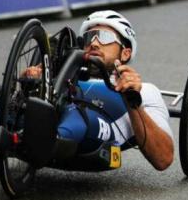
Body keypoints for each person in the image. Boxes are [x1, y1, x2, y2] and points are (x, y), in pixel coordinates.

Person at [25, 10, 174, 171]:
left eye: (104, 37)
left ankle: (50, 140)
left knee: (75, 112)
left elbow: (163, 158)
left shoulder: (145, 91)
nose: (94, 43)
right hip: (53, 119)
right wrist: (30, 80)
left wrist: (133, 101)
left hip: (92, 130)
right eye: (89, 37)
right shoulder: (66, 74)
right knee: (20, 103)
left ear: (125, 53)